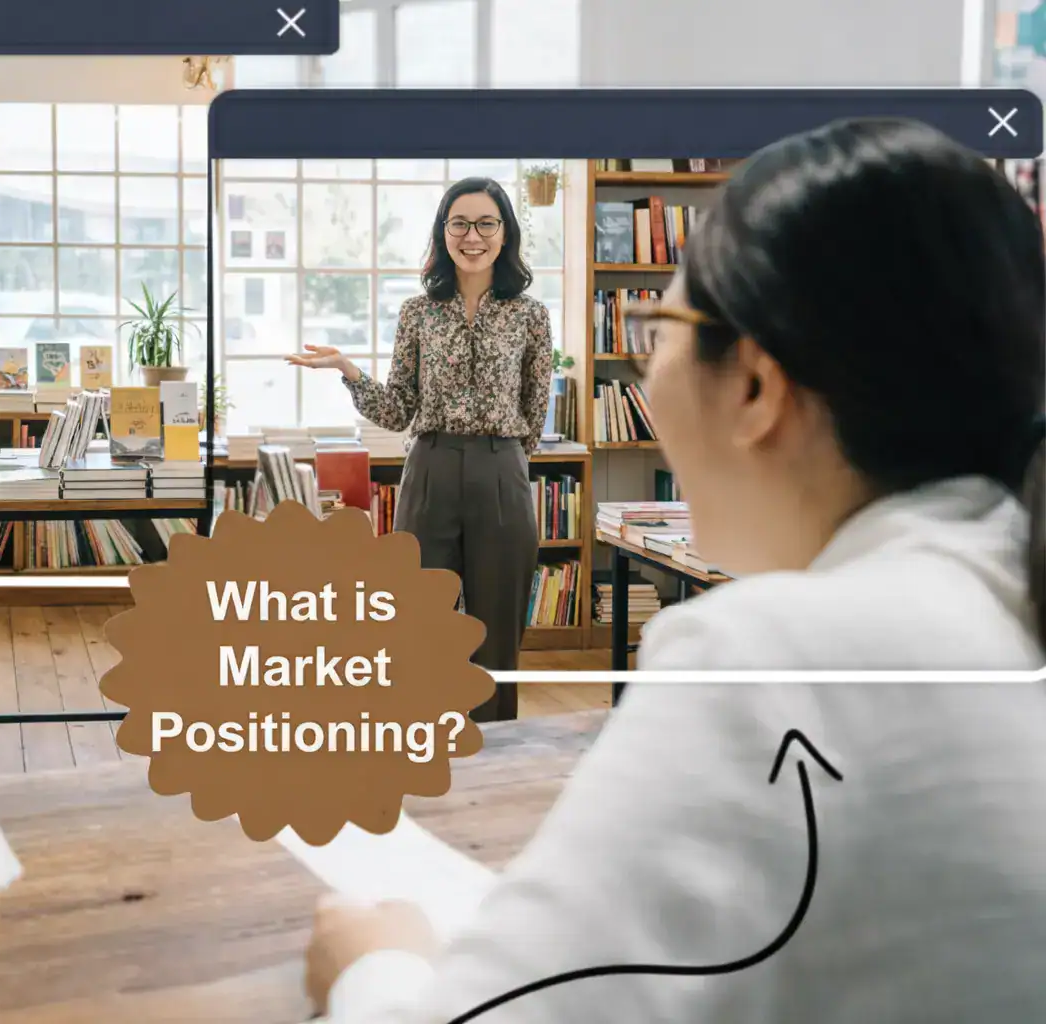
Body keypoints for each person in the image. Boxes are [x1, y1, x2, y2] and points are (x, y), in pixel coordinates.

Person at [301, 119, 1046, 1023]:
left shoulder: (762, 656)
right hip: (434, 467)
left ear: (756, 387)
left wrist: (372, 966)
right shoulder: (1004, 587)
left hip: (497, 470)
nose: (646, 379)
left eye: (660, 329)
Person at [289, 178, 553, 722]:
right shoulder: (418, 312)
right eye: (460, 223)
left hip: (502, 471)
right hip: (430, 468)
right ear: (443, 232)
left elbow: (534, 408)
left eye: (486, 223)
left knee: (496, 631)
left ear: (505, 233)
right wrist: (348, 370)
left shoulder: (530, 315)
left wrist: (503, 460)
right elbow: (397, 410)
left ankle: (494, 745)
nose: (472, 236)